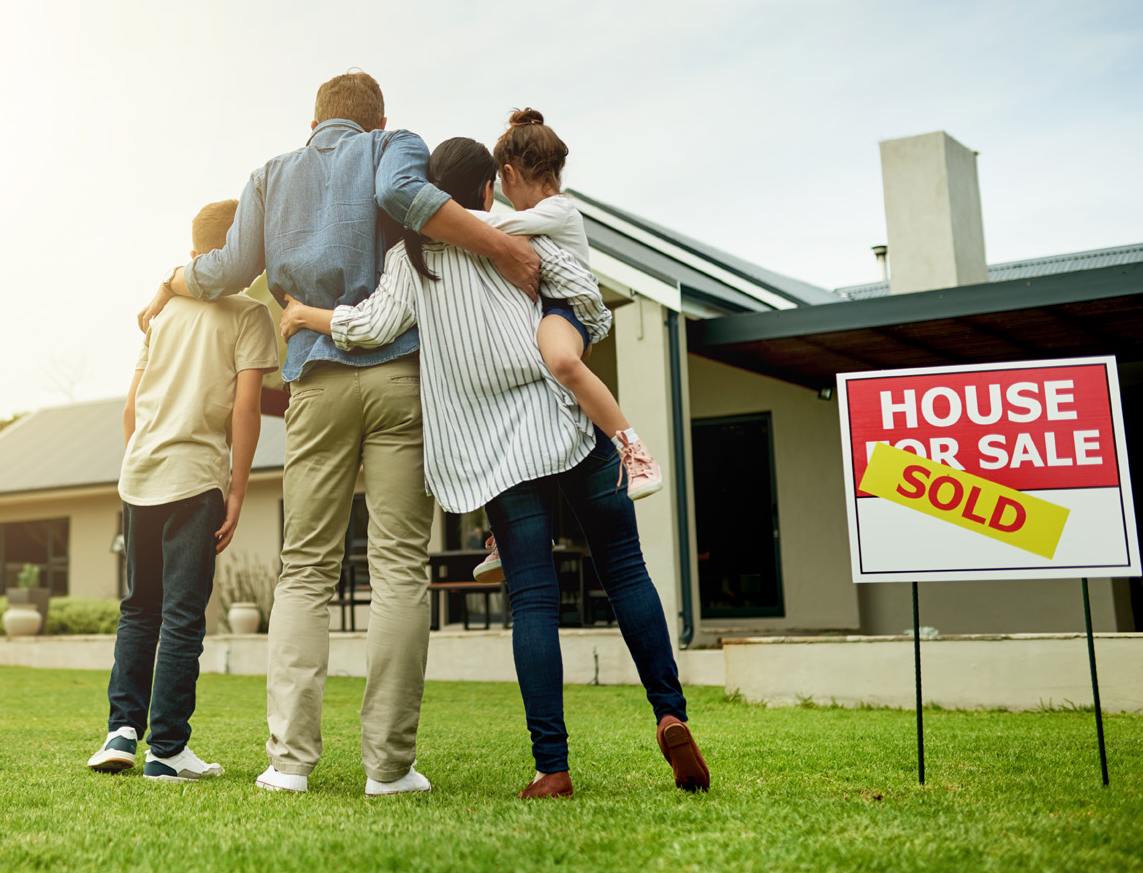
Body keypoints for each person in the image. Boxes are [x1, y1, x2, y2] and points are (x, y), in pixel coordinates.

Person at [135, 72, 542, 796]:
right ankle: (388, 769)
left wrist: (174, 277)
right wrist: (504, 248)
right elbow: (405, 199)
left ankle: (288, 763)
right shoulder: (394, 145)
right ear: (378, 119)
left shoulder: (270, 174)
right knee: (397, 570)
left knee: (306, 571)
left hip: (315, 384)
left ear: (313, 121)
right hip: (397, 382)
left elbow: (229, 269)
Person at [280, 137, 709, 799]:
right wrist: (569, 328)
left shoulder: (408, 258)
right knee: (625, 569)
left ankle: (552, 767)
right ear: (486, 190)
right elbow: (583, 299)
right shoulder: (511, 238)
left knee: (534, 600)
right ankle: (670, 712)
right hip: (564, 421)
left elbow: (369, 327)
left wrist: (304, 315)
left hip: (497, 456)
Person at [87, 198, 280, 780]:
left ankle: (121, 732)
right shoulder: (249, 314)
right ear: (241, 253)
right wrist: (238, 490)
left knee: (138, 608)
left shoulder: (161, 314)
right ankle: (166, 748)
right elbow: (247, 407)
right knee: (181, 616)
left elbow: (129, 409)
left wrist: (142, 462)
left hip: (140, 475)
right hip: (194, 479)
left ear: (195, 253)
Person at [470, 109, 662, 585]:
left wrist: (438, 216)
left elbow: (496, 232)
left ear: (510, 175)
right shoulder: (540, 212)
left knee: (559, 361)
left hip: (565, 312)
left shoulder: (558, 210)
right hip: (543, 316)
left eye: (502, 182)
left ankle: (633, 449)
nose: (503, 194)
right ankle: (503, 532)